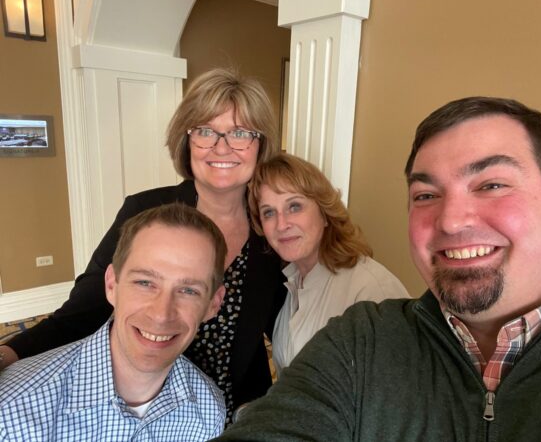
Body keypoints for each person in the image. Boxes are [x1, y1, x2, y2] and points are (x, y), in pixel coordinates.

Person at [213, 97, 541, 441]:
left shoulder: (367, 287)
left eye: (492, 185)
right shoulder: (362, 338)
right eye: (427, 195)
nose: (451, 220)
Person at [0, 68, 286, 423]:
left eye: (240, 133)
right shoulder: (145, 212)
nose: (222, 147)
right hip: (146, 407)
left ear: (260, 145)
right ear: (187, 140)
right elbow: (84, 310)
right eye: (206, 131)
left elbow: (287, 318)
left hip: (237, 404)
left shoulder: (271, 226)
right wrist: (9, 354)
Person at [0, 203, 226, 441]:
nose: (161, 315)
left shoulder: (208, 410)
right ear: (111, 285)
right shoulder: (10, 414)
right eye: (145, 283)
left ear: (214, 303)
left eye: (188, 290)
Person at [247, 153, 408, 375]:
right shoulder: (293, 282)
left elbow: (399, 393)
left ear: (324, 214)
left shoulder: (371, 290)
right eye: (269, 212)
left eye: (294, 206)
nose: (281, 224)